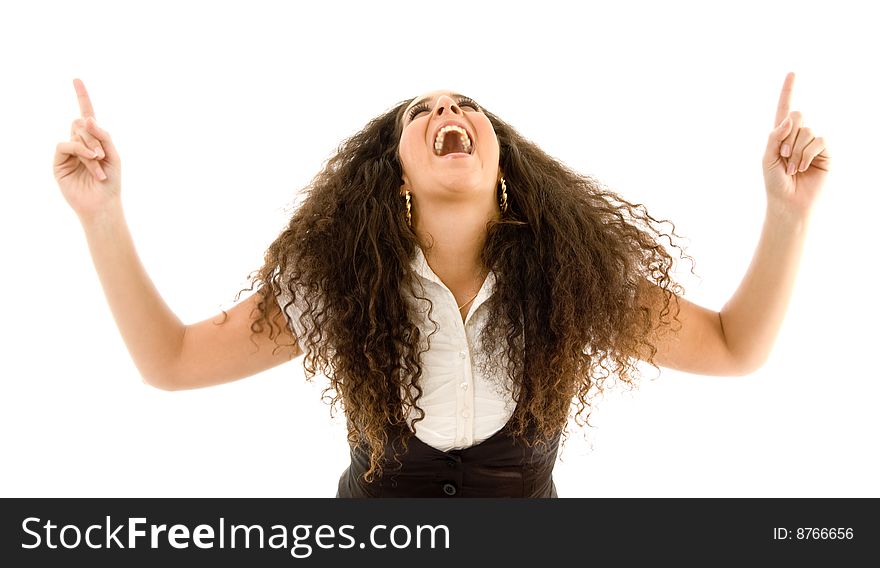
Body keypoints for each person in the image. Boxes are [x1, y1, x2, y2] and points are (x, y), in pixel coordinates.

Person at [53, 74, 829, 497]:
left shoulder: (572, 278)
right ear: (396, 175)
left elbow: (733, 348)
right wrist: (102, 215)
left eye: (464, 107)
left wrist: (786, 214)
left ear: (502, 168)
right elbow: (173, 361)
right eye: (422, 112)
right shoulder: (336, 283)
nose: (447, 111)